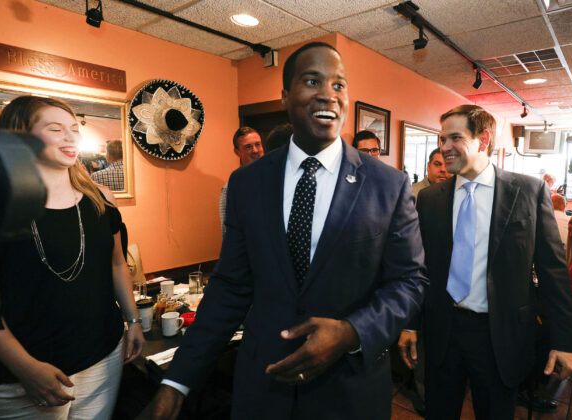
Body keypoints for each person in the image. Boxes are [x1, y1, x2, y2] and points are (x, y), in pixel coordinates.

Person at [142, 42, 427, 420]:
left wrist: (351, 332)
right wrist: (176, 383)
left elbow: (410, 281)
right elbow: (230, 287)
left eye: (339, 85)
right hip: (264, 387)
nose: (328, 94)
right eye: (312, 81)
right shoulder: (248, 183)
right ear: (285, 96)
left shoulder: (388, 185)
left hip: (349, 391)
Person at [398, 105, 572, 419]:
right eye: (442, 139)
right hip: (443, 329)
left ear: (483, 140)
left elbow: (552, 271)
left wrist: (565, 341)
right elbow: (419, 268)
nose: (444, 147)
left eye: (455, 137)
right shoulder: (430, 198)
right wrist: (410, 324)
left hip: (499, 333)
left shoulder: (528, 191)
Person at [0, 96, 144, 419]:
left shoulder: (100, 198)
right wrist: (27, 368)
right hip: (25, 376)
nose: (70, 137)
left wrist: (133, 320)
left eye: (74, 129)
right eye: (55, 129)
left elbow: (117, 263)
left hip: (102, 358)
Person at [219, 126, 264, 236]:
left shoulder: (276, 177)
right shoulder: (230, 188)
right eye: (248, 147)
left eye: (258, 144)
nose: (255, 150)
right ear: (237, 152)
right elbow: (227, 232)